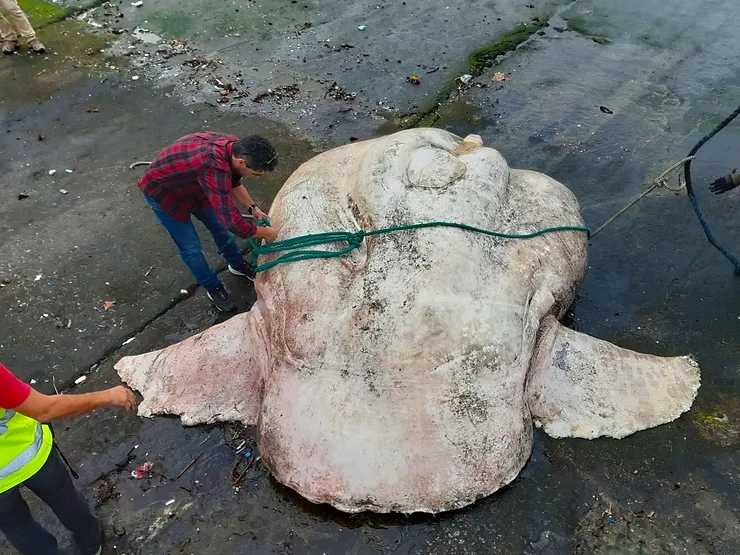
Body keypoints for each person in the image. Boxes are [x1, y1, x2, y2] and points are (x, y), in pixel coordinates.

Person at [0, 362, 135, 555]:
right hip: (30, 454)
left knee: (18, 527)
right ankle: (91, 543)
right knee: (65, 499)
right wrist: (108, 396)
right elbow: (44, 410)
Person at [139, 132, 279, 312]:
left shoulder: (235, 148)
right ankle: (213, 287)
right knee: (191, 248)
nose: (254, 177)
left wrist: (253, 208)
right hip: (165, 194)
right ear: (242, 163)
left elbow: (234, 182)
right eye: (256, 174)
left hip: (197, 186)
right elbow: (234, 223)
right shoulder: (213, 166)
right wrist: (267, 234)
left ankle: (237, 264)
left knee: (221, 230)